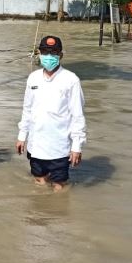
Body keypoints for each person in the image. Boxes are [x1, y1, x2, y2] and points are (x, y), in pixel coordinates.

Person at [15, 35, 86, 192]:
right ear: (39, 54)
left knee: (59, 187)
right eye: (45, 52)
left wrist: (76, 146)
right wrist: (22, 136)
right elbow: (27, 109)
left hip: (59, 147)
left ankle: (57, 215)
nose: (49, 56)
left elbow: (77, 115)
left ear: (60, 55)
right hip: (36, 145)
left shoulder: (71, 80)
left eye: (53, 52)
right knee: (39, 181)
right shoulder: (33, 78)